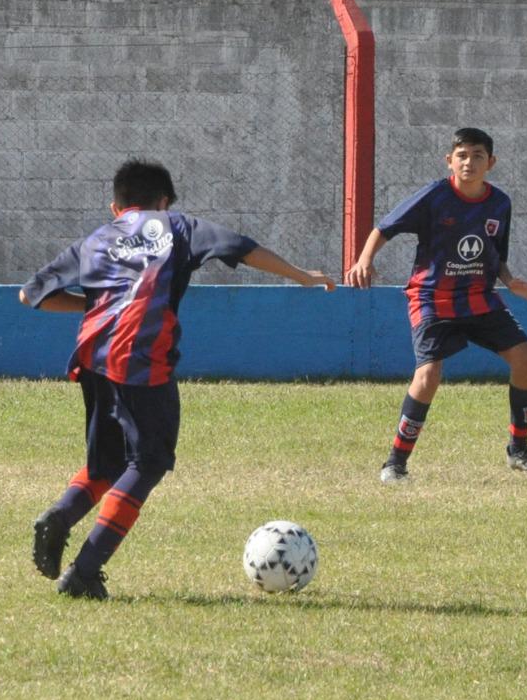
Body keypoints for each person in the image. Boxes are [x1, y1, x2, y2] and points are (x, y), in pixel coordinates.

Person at [20, 158, 334, 599]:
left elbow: (32, 294)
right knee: (147, 463)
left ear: (116, 207)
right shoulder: (177, 226)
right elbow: (242, 248)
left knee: (108, 465)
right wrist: (302, 276)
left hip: (93, 356)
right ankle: (84, 571)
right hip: (140, 356)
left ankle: (61, 513)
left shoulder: (96, 239)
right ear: (163, 201)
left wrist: (97, 306)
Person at [345, 127, 527, 484]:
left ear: (491, 162)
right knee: (428, 375)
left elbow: (496, 254)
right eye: (461, 155)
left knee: (526, 357)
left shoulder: (499, 203)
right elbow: (384, 227)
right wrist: (364, 258)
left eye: (477, 155)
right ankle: (395, 463)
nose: (469, 162)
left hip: (479, 297)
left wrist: (510, 281)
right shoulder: (434, 196)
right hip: (432, 298)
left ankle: (519, 450)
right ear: (449, 160)